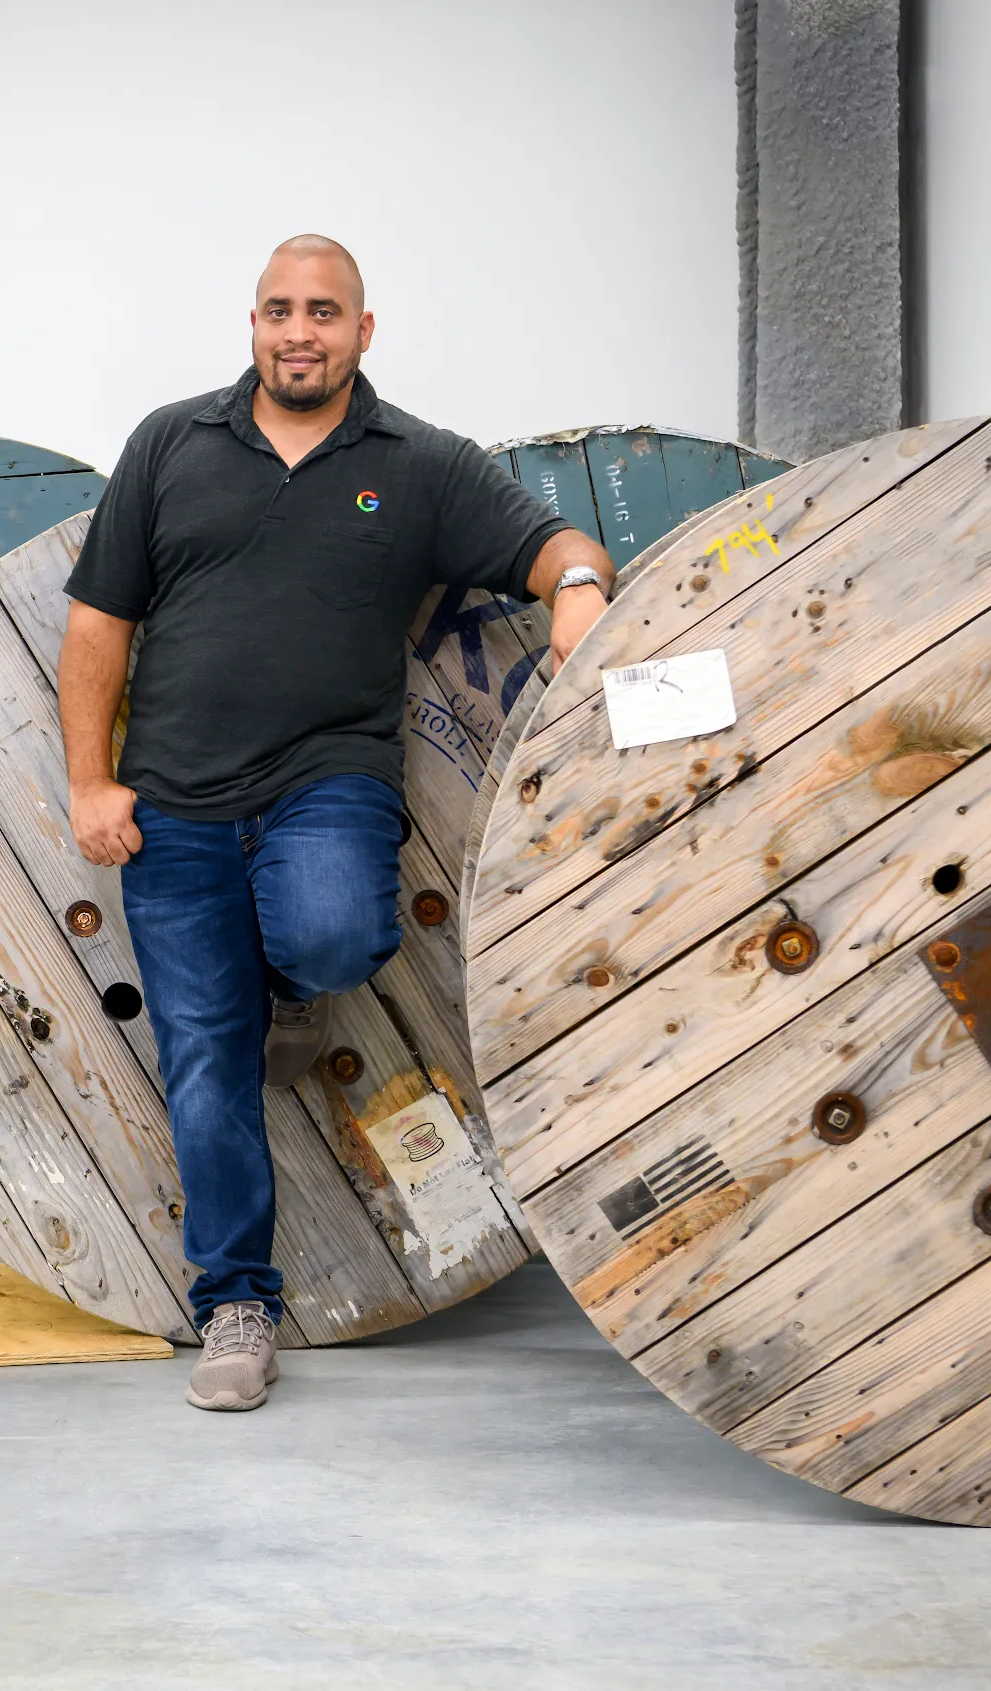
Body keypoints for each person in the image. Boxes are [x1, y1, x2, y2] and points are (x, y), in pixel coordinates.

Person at [59, 235, 615, 1411]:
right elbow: (97, 626)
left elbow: (548, 543)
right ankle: (235, 1309)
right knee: (205, 1058)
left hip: (326, 782)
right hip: (176, 804)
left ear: (364, 330)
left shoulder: (415, 463)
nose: (296, 332)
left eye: (322, 312)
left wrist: (578, 588)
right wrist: (89, 784)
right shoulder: (171, 444)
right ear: (250, 326)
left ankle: (293, 984)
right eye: (277, 311)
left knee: (330, 935)